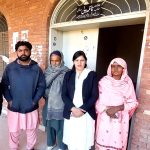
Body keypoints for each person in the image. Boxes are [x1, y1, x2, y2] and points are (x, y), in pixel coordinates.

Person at [1, 41, 46, 150]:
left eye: (26, 50)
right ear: (17, 52)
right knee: (13, 130)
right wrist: (10, 100)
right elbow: (4, 85)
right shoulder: (10, 68)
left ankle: (30, 147)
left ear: (30, 51)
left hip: (31, 106)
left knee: (31, 130)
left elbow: (41, 86)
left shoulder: (36, 68)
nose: (23, 53)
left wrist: (35, 101)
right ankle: (13, 147)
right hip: (14, 106)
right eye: (20, 50)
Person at [95, 58, 138, 150]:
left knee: (117, 143)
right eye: (113, 66)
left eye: (119, 66)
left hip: (120, 121)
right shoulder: (103, 82)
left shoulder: (128, 83)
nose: (115, 69)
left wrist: (117, 108)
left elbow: (134, 103)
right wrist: (107, 109)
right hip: (104, 119)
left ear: (124, 69)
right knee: (102, 144)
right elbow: (97, 101)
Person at [62, 50, 99, 150]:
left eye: (82, 60)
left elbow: (94, 95)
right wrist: (73, 109)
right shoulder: (68, 75)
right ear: (73, 61)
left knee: (84, 140)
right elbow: (63, 95)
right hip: (71, 111)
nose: (79, 63)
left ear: (85, 61)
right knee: (72, 139)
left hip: (86, 112)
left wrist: (82, 110)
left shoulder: (92, 75)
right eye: (77, 60)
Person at [42, 50, 69, 150]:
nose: (54, 63)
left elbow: (69, 88)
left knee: (61, 126)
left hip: (61, 104)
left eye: (57, 60)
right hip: (49, 103)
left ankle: (62, 146)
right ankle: (51, 143)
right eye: (52, 60)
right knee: (50, 125)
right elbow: (42, 86)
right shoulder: (47, 71)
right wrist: (48, 93)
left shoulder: (67, 71)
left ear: (61, 60)